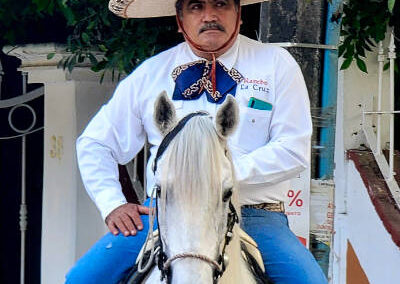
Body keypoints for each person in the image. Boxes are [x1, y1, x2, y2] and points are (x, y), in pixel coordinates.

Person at [66, 0, 327, 283]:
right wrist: (113, 204)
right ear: (179, 20)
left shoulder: (276, 65)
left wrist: (217, 174)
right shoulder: (150, 74)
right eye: (195, 6)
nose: (209, 15)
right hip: (164, 215)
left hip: (253, 215)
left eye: (221, 4)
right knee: (80, 279)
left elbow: (293, 148)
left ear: (239, 15)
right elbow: (96, 143)